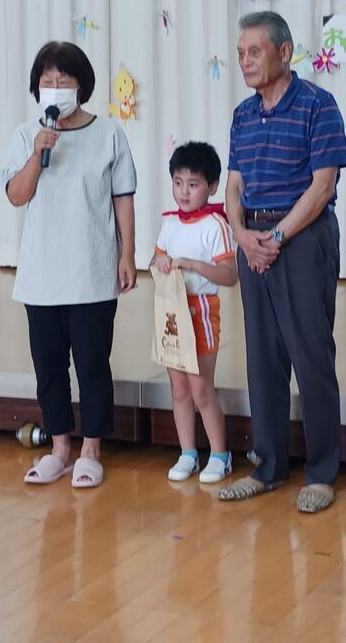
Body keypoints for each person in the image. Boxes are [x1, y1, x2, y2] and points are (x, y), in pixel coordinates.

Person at [219, 12, 346, 513]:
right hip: (253, 239)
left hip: (301, 238)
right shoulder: (242, 114)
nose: (245, 61)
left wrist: (275, 236)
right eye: (240, 53)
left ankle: (321, 472)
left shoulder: (318, 104)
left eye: (254, 51)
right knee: (262, 358)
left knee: (311, 356)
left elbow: (323, 185)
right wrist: (242, 236)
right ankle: (268, 466)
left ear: (285, 52)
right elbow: (234, 185)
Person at [2, 41, 137, 488]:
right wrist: (37, 154)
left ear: (82, 85)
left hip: (92, 271)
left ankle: (91, 450)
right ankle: (59, 448)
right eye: (47, 80)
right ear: (36, 87)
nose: (55, 87)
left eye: (64, 80)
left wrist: (128, 254)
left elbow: (122, 198)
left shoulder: (109, 133)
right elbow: (17, 195)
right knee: (49, 368)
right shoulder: (27, 134)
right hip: (41, 275)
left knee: (93, 365)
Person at [152, 142, 237, 484]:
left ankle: (220, 455)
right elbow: (156, 260)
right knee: (179, 389)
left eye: (193, 184)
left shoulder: (215, 225)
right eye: (178, 183)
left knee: (201, 389)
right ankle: (188, 452)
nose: (184, 192)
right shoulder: (170, 222)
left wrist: (192, 265)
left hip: (200, 310)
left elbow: (229, 275)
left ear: (212, 187)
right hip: (171, 311)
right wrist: (159, 262)